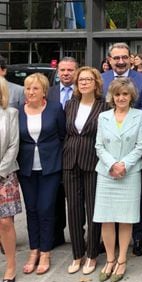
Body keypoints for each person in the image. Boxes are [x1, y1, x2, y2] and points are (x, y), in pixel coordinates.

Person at [93, 78, 142, 282]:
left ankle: (122, 259)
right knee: (106, 218)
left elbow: (140, 146)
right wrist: (112, 165)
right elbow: (99, 146)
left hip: (129, 173)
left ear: (131, 96)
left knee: (125, 218)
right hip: (107, 173)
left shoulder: (139, 116)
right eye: (117, 94)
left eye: (125, 94)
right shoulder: (103, 116)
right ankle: (109, 259)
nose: (121, 98)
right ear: (112, 97)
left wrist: (123, 165)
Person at [101, 42, 142, 257]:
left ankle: (138, 236)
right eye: (116, 57)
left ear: (131, 58)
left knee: (136, 196)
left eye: (124, 57)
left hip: (133, 144)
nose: (120, 61)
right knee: (107, 199)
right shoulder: (100, 80)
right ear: (110, 60)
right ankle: (108, 242)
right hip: (108, 144)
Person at [18, 73, 66, 275]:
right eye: (28, 88)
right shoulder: (18, 112)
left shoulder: (55, 109)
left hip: (50, 166)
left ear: (44, 91)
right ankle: (33, 250)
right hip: (26, 168)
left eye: (35, 88)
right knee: (31, 209)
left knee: (46, 208)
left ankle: (45, 251)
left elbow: (63, 135)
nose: (31, 92)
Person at [63, 67, 109, 275]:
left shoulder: (104, 106)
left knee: (92, 209)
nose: (84, 83)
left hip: (93, 161)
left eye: (88, 79)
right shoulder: (70, 104)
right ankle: (77, 254)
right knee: (73, 209)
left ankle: (91, 254)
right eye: (80, 80)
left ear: (96, 83)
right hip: (70, 161)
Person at [47, 56, 78, 248]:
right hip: (54, 151)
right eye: (63, 70)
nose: (66, 74)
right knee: (55, 195)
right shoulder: (48, 93)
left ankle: (78, 234)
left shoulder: (84, 92)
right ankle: (57, 235)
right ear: (58, 72)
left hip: (77, 150)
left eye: (70, 70)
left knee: (76, 198)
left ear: (77, 71)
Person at [0, 76, 22, 282]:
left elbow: (13, 145)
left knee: (5, 223)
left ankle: (11, 264)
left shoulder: (10, 114)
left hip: (4, 175)